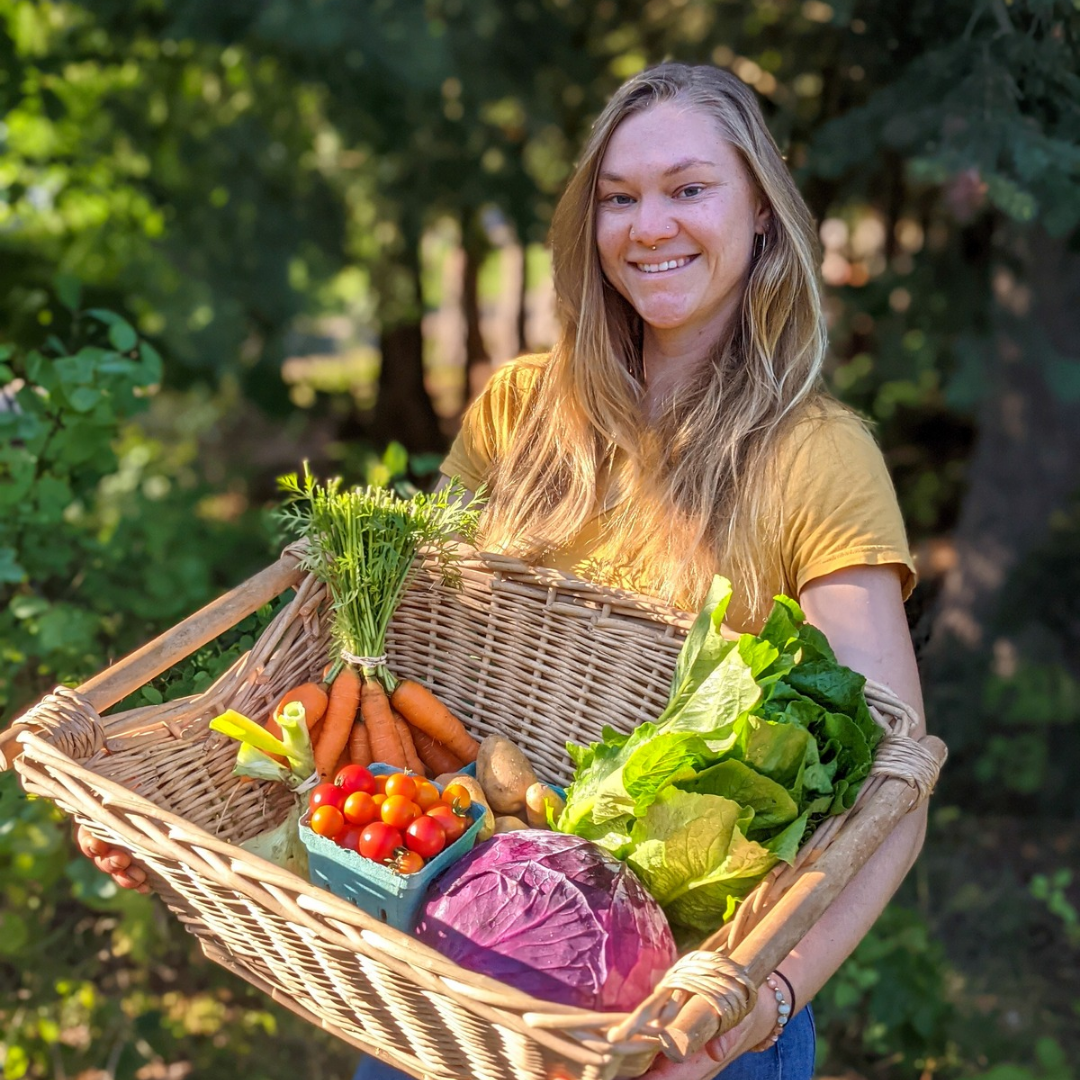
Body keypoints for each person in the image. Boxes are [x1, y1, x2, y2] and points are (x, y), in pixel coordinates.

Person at [79, 61, 928, 1080]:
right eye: (619, 197)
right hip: (453, 982)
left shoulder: (817, 457)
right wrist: (193, 830)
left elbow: (894, 790)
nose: (647, 226)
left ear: (760, 213)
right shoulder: (523, 410)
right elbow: (395, 665)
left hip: (673, 1024)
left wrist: (758, 1005)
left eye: (688, 189)